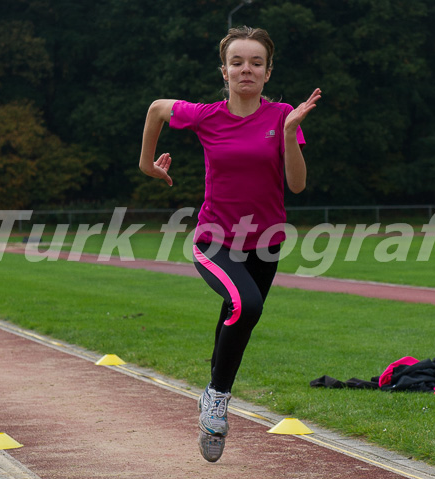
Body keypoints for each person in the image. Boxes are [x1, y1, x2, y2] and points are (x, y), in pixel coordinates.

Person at [139, 26, 320, 462]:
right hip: (214, 240)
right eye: (237, 62)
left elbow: (296, 185)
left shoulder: (282, 117)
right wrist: (147, 164)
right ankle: (217, 400)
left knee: (238, 317)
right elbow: (157, 108)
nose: (246, 69)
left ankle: (211, 398)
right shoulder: (205, 116)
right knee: (248, 306)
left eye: (255, 62)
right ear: (224, 70)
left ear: (268, 72)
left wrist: (293, 129)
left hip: (267, 242)